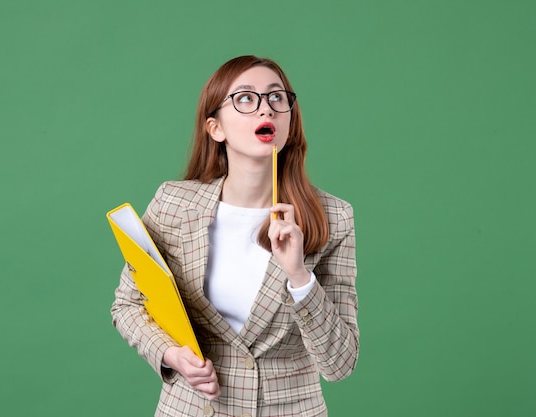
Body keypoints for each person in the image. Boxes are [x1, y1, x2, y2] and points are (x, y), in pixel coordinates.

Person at [111, 55, 359, 417]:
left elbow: (339, 364)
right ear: (216, 128)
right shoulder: (173, 204)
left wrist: (299, 277)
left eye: (277, 98)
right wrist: (172, 354)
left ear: (290, 118)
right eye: (245, 98)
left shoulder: (333, 217)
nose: (267, 109)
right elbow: (128, 305)